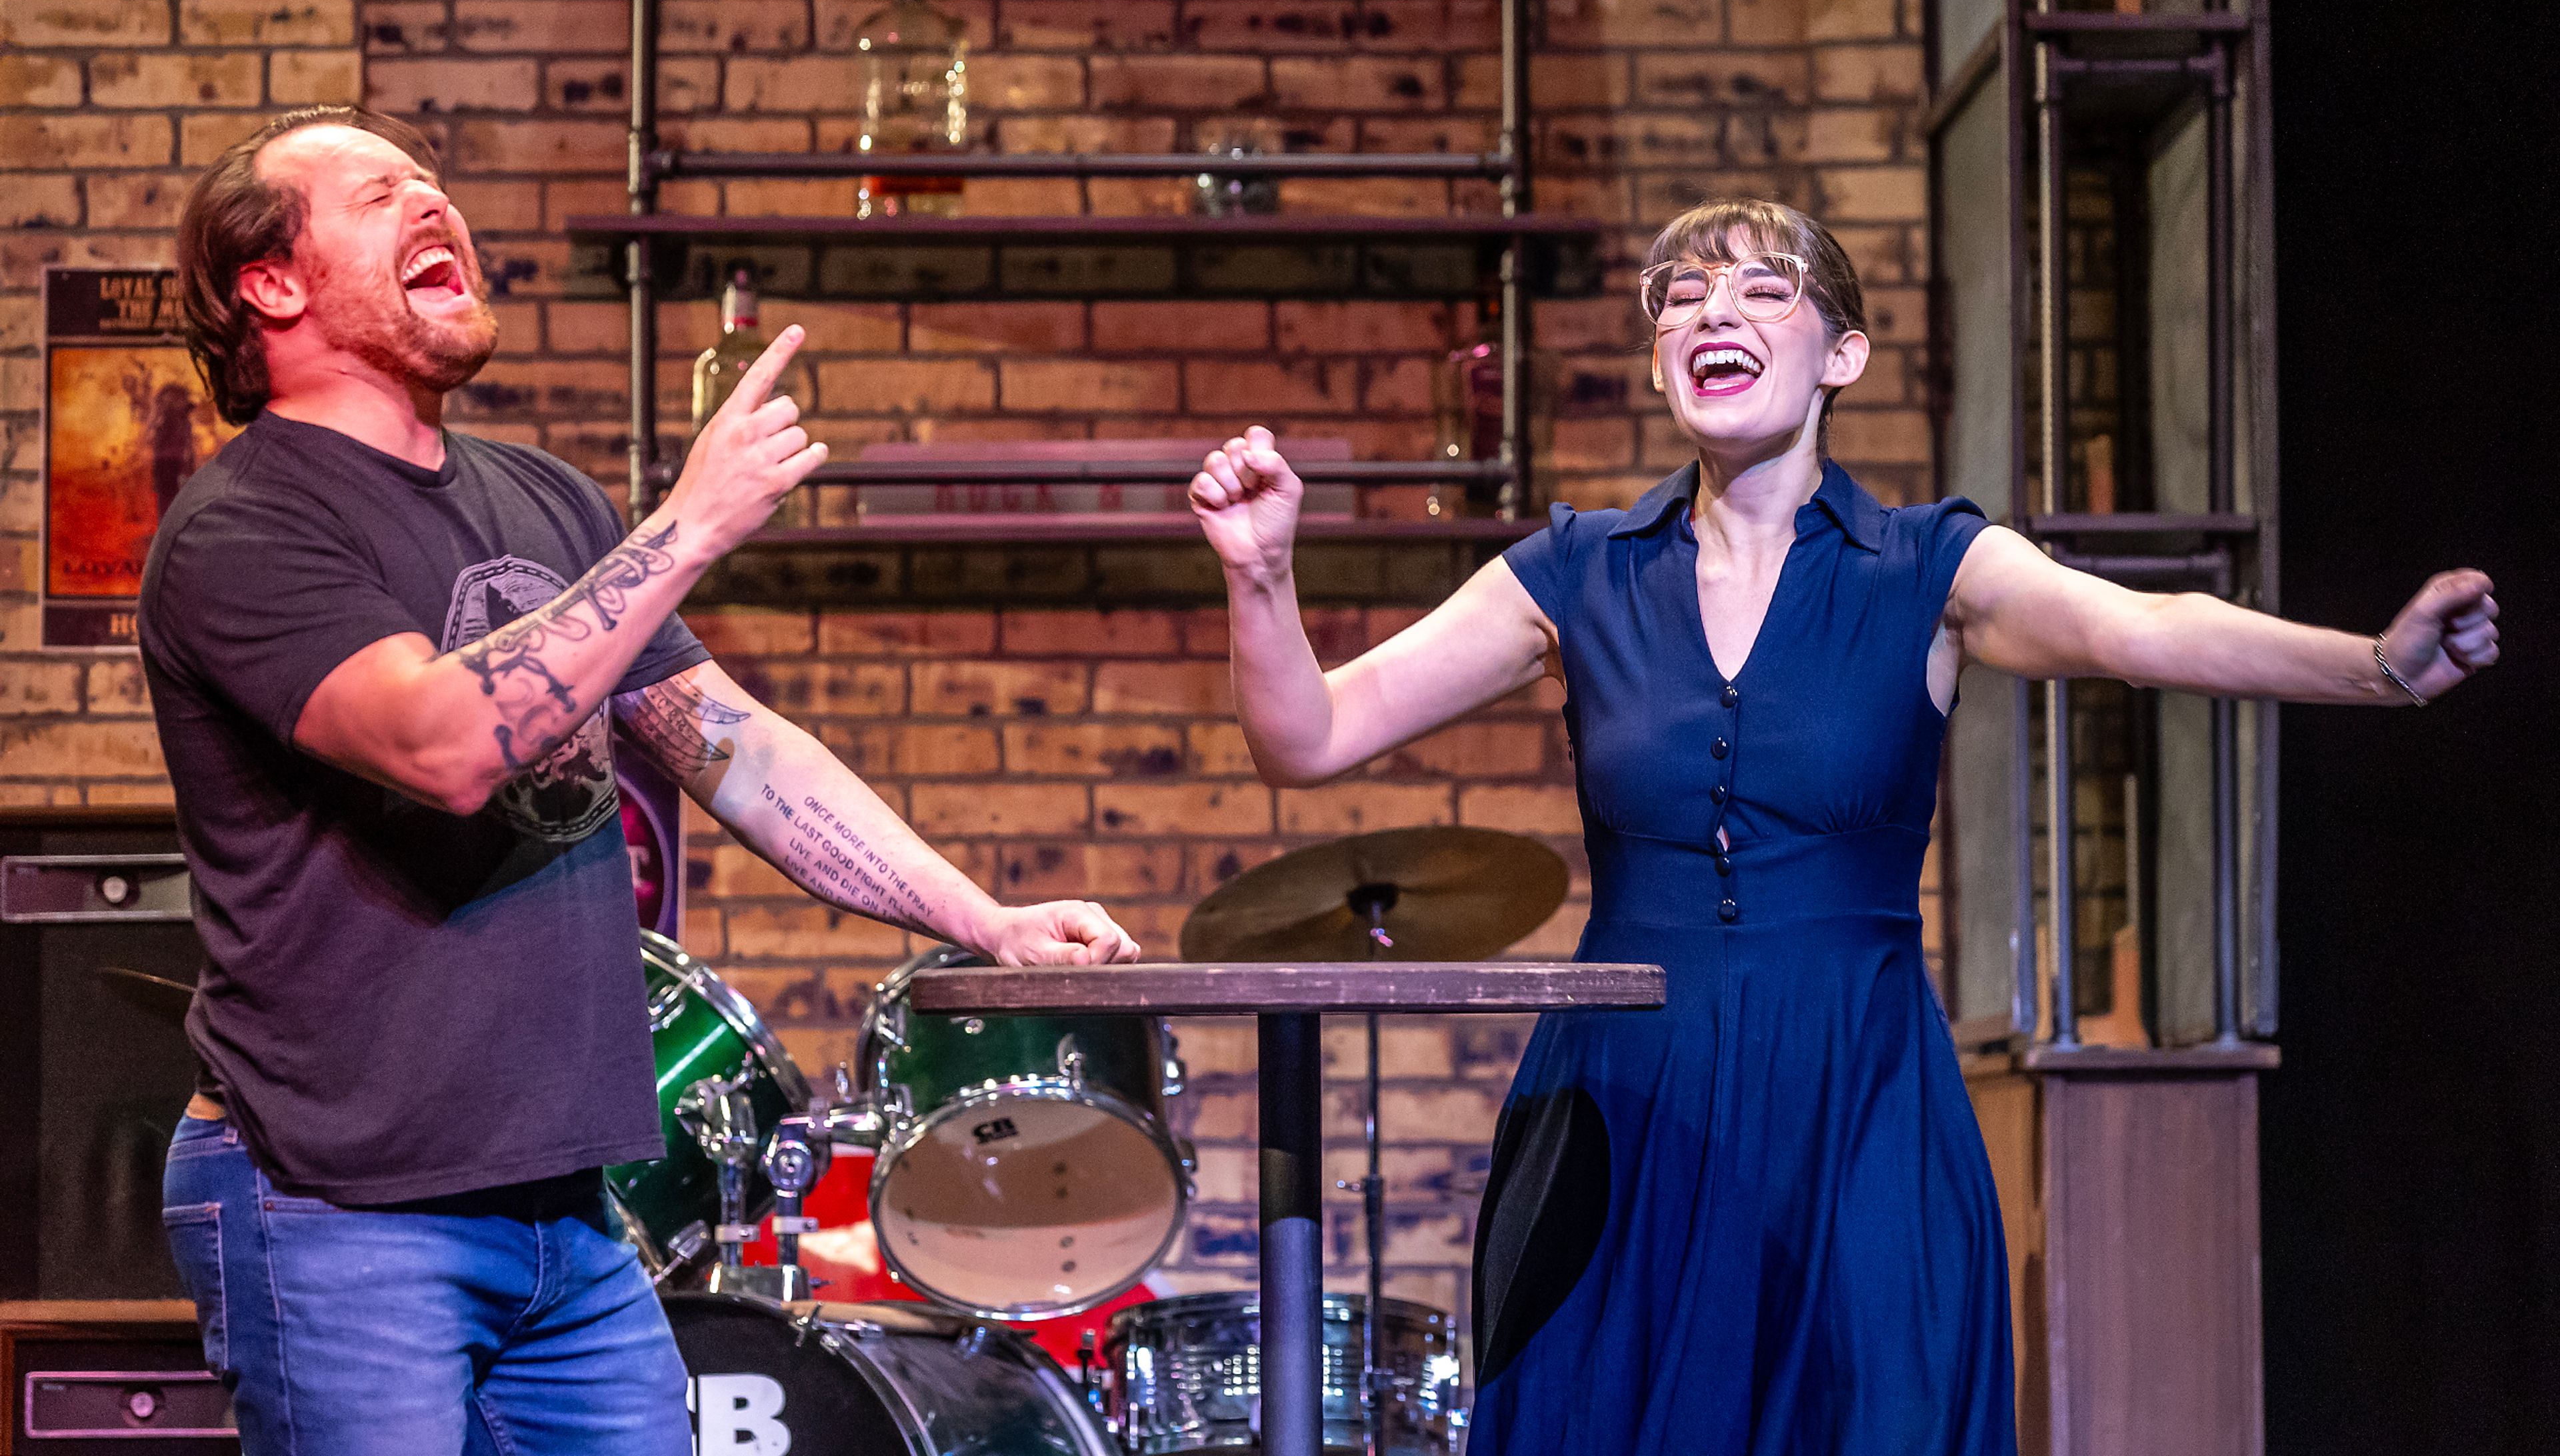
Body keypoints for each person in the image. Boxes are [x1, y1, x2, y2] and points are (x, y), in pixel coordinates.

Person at [1189, 197, 2498, 1454]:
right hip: (1627, 1104)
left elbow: (2141, 630)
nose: (1718, 310)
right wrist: (1261, 577)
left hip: (1859, 1094)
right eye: (1683, 294)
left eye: (1768, 288)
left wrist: (2374, 666)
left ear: (1842, 354)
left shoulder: (1930, 567)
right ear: (1660, 353)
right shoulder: (1575, 571)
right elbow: (1307, 738)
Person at [140, 106, 1140, 1456]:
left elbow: (739, 749)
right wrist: (687, 527)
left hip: (566, 1214)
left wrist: (988, 921)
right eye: (384, 194)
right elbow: (437, 744)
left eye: (440, 186)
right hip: (337, 1207)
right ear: (272, 282)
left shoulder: (545, 501)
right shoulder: (248, 524)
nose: (440, 208)